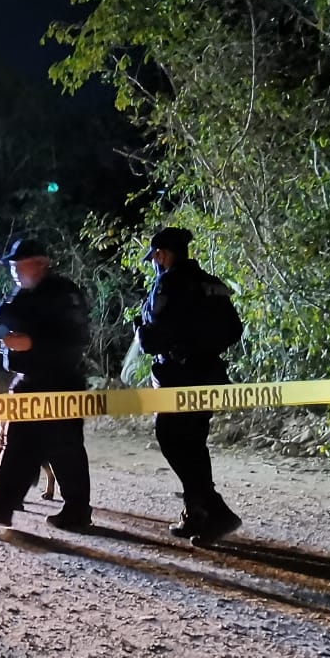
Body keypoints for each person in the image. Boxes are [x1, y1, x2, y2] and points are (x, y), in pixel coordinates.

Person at [0, 237, 95, 531]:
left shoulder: (58, 294)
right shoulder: (26, 295)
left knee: (64, 447)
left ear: (39, 263)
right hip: (32, 380)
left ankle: (75, 509)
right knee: (18, 443)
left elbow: (23, 341)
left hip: (57, 381)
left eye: (17, 264)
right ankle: (2, 504)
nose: (13, 270)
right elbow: (12, 328)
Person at [134, 226, 244, 541]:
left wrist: (141, 332)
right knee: (193, 444)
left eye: (154, 257)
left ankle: (216, 511)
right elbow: (234, 330)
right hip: (208, 374)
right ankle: (196, 514)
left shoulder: (167, 284)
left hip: (177, 377)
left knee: (171, 439)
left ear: (161, 254)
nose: (154, 263)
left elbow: (153, 339)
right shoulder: (211, 283)